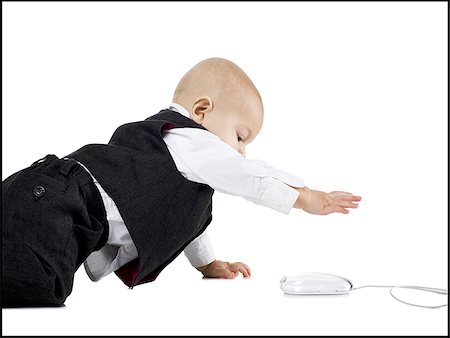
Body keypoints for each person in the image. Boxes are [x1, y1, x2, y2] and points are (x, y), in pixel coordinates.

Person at [1, 57, 361, 308]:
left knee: (35, 281)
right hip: (58, 203)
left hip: (50, 196)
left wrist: (207, 265)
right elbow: (248, 177)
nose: (242, 152)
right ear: (203, 111)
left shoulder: (184, 164)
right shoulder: (191, 139)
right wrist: (307, 197)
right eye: (240, 136)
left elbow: (187, 219)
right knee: (29, 283)